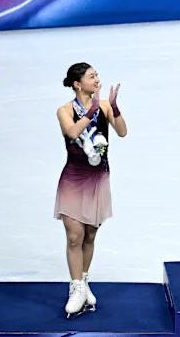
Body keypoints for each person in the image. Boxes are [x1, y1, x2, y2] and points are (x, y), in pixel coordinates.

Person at [55, 63, 127, 317]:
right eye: (91, 76)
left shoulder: (104, 106)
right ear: (77, 84)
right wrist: (90, 112)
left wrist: (114, 108)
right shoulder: (65, 110)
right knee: (74, 236)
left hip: (98, 179)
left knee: (90, 235)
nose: (97, 79)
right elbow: (72, 131)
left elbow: (122, 132)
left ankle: (84, 281)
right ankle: (75, 287)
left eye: (97, 75)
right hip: (74, 179)